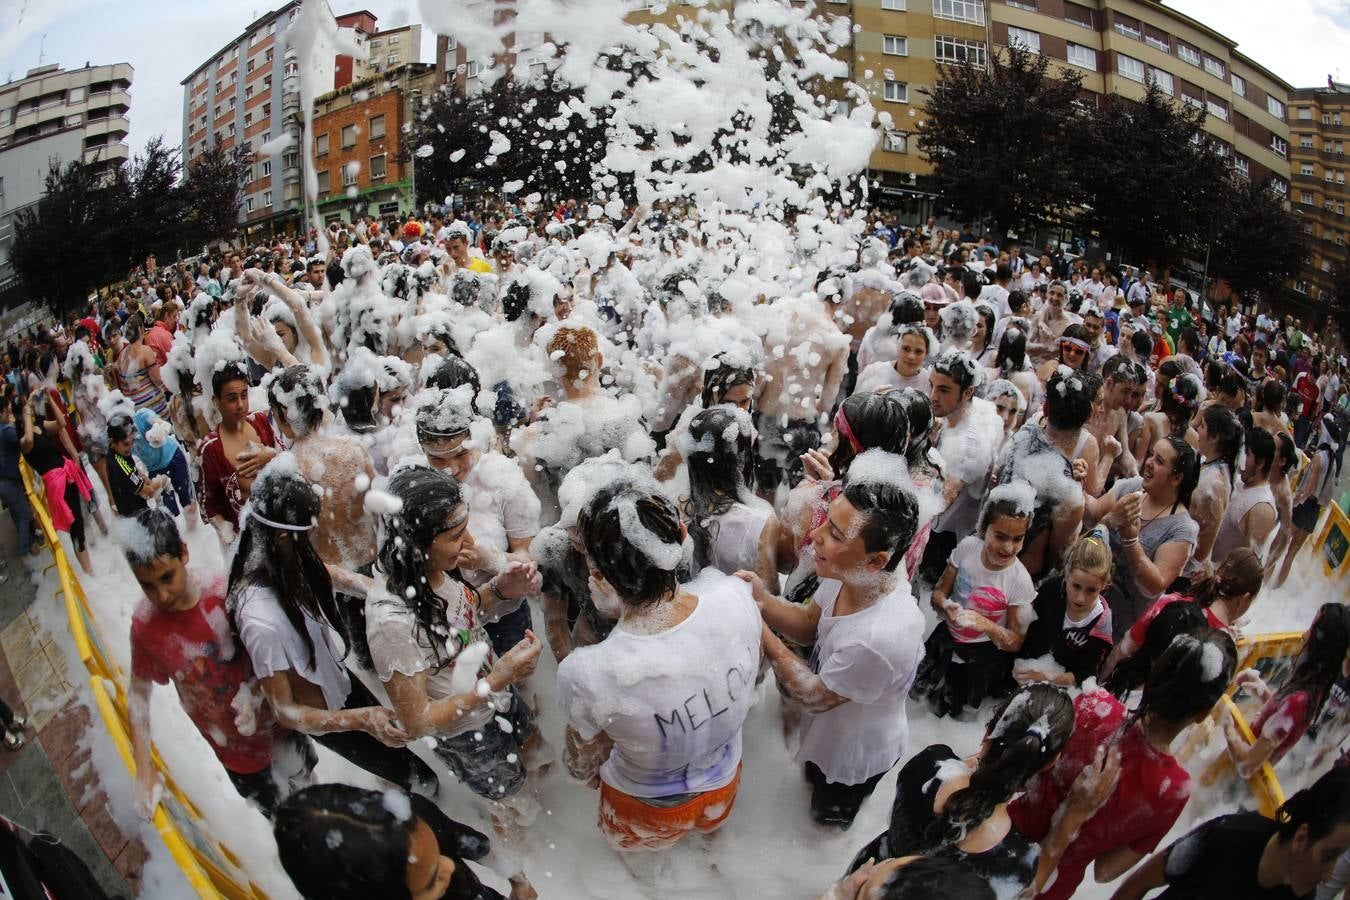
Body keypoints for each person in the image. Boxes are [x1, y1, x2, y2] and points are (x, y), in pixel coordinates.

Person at [228, 458, 463, 833]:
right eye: (308, 533)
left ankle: (416, 786)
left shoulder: (281, 557)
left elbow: (329, 575)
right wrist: (360, 720)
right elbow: (286, 711)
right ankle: (430, 813)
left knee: (395, 751)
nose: (314, 539)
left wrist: (391, 597)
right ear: (284, 538)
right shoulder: (260, 620)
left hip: (338, 680)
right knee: (406, 771)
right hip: (326, 714)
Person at [558, 479, 762, 851]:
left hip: (646, 805)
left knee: (642, 864)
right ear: (682, 535)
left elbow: (581, 762)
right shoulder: (736, 595)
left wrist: (588, 776)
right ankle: (715, 859)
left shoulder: (588, 672)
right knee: (711, 840)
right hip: (724, 780)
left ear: (598, 574)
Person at [745, 463, 924, 829]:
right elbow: (810, 624)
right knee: (813, 778)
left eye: (836, 535)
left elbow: (813, 696)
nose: (816, 536)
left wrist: (762, 633)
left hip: (854, 755)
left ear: (876, 561)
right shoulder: (852, 574)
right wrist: (762, 601)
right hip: (830, 726)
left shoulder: (877, 639)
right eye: (827, 521)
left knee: (827, 817)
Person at [1012, 627, 1238, 900]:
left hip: (1004, 837)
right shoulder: (1172, 793)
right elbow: (1105, 871)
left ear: (1153, 676)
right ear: (1202, 714)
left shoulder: (1093, 705)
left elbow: (1022, 773)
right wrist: (1187, 750)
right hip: (1050, 886)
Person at [123, 508, 301, 818]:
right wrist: (144, 768)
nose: (161, 595)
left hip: (280, 727)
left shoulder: (222, 593)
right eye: (147, 585)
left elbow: (276, 655)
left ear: (184, 553)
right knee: (285, 820)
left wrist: (254, 692)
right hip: (237, 757)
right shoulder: (145, 628)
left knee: (308, 786)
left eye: (167, 577)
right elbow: (138, 693)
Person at [846, 683, 1075, 895]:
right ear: (1050, 763)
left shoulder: (930, 763)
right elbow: (1028, 891)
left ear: (989, 730)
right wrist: (1074, 817)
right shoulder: (1017, 862)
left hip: (867, 879)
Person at [414, 388, 541, 657]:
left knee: (515, 674)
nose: (451, 468)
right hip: (445, 615)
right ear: (422, 450)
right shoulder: (415, 482)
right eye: (436, 458)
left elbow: (531, 565)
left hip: (502, 616)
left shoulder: (503, 478)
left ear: (475, 438)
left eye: (460, 453)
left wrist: (489, 559)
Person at [1111, 766, 1350, 900]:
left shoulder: (1303, 895)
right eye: (1329, 856)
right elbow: (1139, 882)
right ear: (1301, 838)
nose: (1328, 876)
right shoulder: (1228, 835)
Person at [273, 784, 525, 900]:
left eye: (439, 853)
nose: (449, 866)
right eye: (431, 882)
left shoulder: (415, 816)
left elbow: (466, 841)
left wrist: (516, 878)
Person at [915, 485, 1037, 717]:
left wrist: (985, 624)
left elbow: (1015, 642)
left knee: (954, 710)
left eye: (1018, 539)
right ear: (983, 529)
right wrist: (945, 606)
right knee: (918, 693)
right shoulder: (968, 548)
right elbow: (939, 593)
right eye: (1000, 536)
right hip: (946, 638)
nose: (1008, 547)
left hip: (981, 655)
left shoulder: (1020, 582)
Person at [1085, 436, 1200, 640]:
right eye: (1151, 455)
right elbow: (1093, 514)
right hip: (1083, 600)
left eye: (1159, 461)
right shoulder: (1132, 488)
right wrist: (1079, 482)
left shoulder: (1182, 529)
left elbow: (1155, 585)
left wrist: (1131, 541)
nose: (1149, 462)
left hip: (1115, 627)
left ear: (1176, 478)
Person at [1103, 548, 1264, 682]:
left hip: (1127, 687)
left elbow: (1122, 651)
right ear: (1245, 598)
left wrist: (1101, 685)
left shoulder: (1171, 601)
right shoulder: (1223, 649)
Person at [1225, 603, 1350, 777]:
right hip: (1233, 774)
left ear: (1321, 644)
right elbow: (1285, 716)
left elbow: (1247, 765)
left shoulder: (1300, 700)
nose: (1304, 635)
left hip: (1234, 782)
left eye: (1312, 628)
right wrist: (1263, 692)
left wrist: (1227, 723)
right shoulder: (1313, 686)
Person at [680, 406, 781, 589]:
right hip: (739, 607)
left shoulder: (679, 508)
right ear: (741, 458)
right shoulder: (760, 522)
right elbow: (768, 594)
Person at [1016, 531, 1115, 687]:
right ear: (1067, 574)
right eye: (1076, 586)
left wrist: (1047, 677)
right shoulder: (1052, 589)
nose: (1080, 598)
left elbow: (1084, 676)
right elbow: (1026, 629)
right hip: (1021, 668)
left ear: (1104, 585)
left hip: (1056, 690)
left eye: (1091, 590)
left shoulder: (1101, 625)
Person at [198, 361, 279, 542]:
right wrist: (231, 537)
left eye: (244, 395)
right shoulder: (210, 449)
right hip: (246, 538)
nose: (241, 405)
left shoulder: (260, 421)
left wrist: (271, 456)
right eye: (232, 399)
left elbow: (291, 461)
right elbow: (207, 506)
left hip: (280, 525)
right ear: (216, 401)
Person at [1273, 416, 1341, 589]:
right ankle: (1277, 587)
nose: (1318, 431)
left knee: (1280, 541)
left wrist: (1294, 500)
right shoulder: (1333, 461)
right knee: (1291, 553)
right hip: (1314, 511)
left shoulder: (1319, 457)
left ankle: (1265, 578)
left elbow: (1309, 489)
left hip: (1304, 505)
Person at [1210, 426, 1277, 566]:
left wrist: (1216, 571)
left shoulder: (1263, 508)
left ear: (1260, 463)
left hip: (1216, 573)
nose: (1241, 458)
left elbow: (1249, 564)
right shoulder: (1238, 481)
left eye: (1247, 454)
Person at [855, 323, 932, 396]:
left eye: (918, 351)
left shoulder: (929, 382)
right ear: (898, 348)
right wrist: (871, 398)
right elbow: (853, 403)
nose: (911, 357)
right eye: (906, 349)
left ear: (926, 353)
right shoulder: (874, 371)